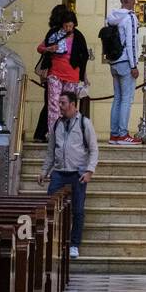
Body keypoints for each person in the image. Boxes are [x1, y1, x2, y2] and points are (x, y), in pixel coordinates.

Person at [39, 87, 98, 260]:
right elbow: (51, 151)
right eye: (59, 103)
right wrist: (44, 171)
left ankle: (74, 244)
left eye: (63, 103)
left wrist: (89, 171)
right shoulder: (56, 124)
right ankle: (51, 240)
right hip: (58, 172)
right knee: (50, 207)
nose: (60, 106)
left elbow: (94, 150)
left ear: (73, 105)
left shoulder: (84, 123)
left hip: (78, 173)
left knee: (78, 210)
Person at [36, 6, 89, 133]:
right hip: (55, 73)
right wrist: (49, 49)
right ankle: (54, 133)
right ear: (62, 24)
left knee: (69, 105)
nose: (68, 29)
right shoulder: (54, 33)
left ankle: (68, 131)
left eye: (71, 26)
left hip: (72, 75)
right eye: (66, 26)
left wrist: (85, 76)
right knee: (54, 104)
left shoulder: (78, 36)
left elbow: (83, 57)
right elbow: (40, 48)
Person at [105, 0, 141, 145]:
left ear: (121, 0)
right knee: (126, 99)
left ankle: (114, 134)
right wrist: (134, 65)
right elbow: (131, 42)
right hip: (126, 62)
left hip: (114, 62)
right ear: (132, 2)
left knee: (118, 98)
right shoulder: (130, 17)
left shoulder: (112, 17)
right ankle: (123, 134)